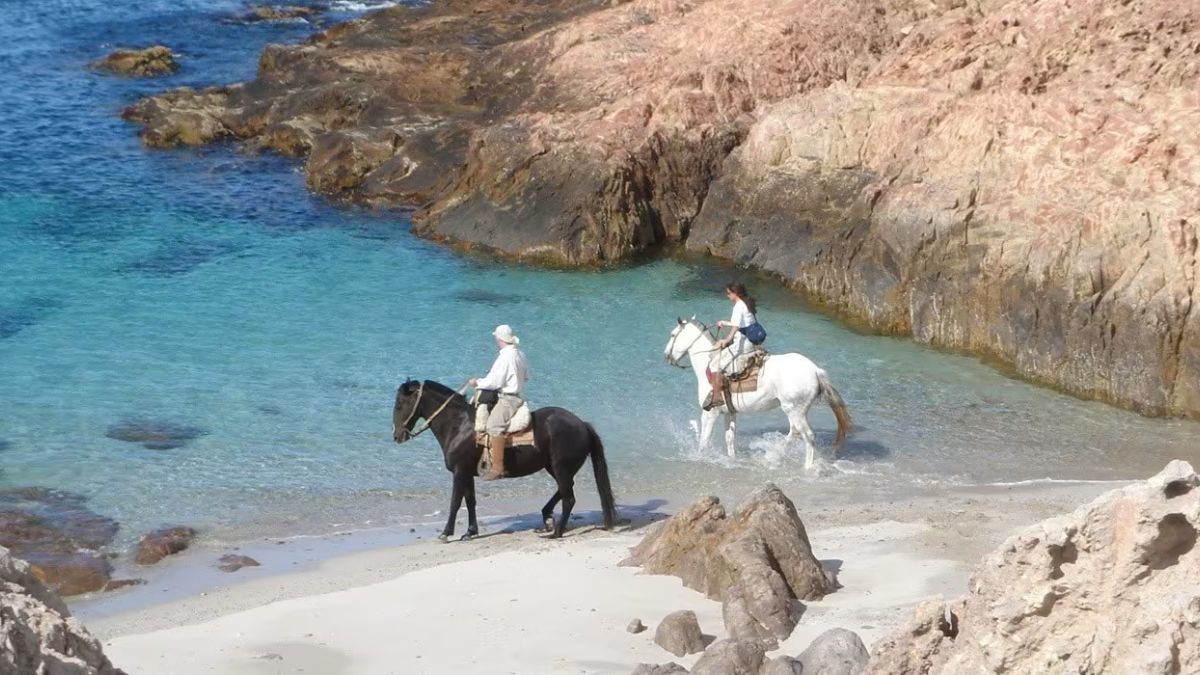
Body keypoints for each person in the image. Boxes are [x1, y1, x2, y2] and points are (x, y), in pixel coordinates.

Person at [468, 324, 529, 480]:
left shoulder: (505, 357)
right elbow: (526, 376)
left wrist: (477, 382)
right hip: (516, 394)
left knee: (493, 426)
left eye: (496, 337)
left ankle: (498, 468)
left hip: (507, 398)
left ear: (499, 339)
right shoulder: (520, 354)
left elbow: (494, 382)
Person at [705, 282, 764, 410]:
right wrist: (723, 322)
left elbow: (736, 327)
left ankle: (717, 398)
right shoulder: (746, 303)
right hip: (749, 341)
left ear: (735, 293)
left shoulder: (738, 306)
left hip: (742, 344)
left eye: (728, 293)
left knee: (715, 364)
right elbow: (739, 323)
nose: (727, 296)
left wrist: (726, 340)